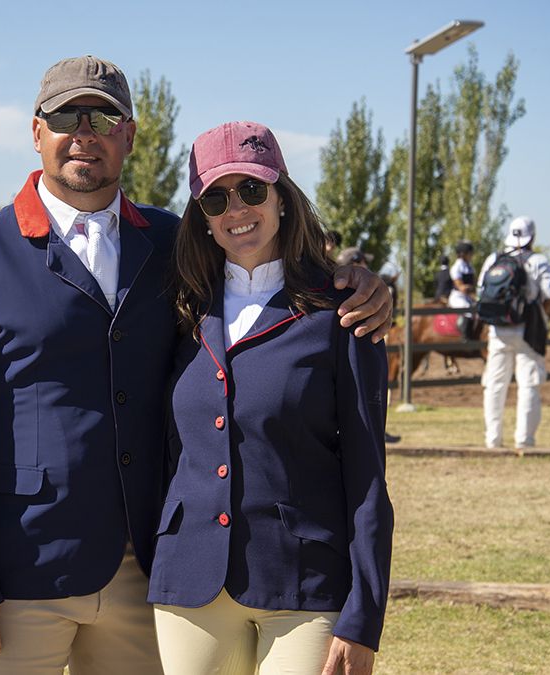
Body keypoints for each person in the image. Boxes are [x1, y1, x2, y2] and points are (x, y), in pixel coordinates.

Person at [0, 56, 394, 675]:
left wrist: (358, 284)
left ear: (130, 136)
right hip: (20, 569)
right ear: (36, 132)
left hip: (149, 578)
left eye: (103, 118)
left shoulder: (173, 245)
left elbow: (266, 275)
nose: (84, 134)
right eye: (66, 118)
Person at [149, 121, 392, 675]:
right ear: (202, 218)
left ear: (282, 196)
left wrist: (365, 613)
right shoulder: (180, 311)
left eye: (252, 189)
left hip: (305, 584)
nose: (236, 209)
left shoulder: (344, 313)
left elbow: (368, 477)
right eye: (216, 198)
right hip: (189, 584)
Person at [478, 216, 550, 449]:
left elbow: (481, 292)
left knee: (494, 385)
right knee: (528, 383)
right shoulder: (539, 261)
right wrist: (541, 314)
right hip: (528, 331)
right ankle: (524, 439)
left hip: (498, 330)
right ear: (532, 237)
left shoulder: (493, 259)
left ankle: (493, 438)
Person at [447, 240, 476, 310]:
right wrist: (471, 289)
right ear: (463, 254)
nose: (472, 255)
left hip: (468, 297)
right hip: (458, 297)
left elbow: (474, 284)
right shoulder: (456, 268)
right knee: (467, 309)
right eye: (470, 253)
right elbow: (462, 288)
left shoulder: (470, 267)